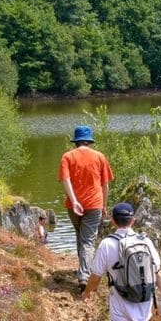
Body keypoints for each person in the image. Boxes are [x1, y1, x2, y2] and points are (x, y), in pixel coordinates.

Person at [59, 125, 114, 292]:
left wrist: (74, 200)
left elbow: (65, 180)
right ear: (89, 141)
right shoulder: (99, 157)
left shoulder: (67, 157)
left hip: (73, 205)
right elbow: (105, 185)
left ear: (75, 142)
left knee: (81, 237)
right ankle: (84, 276)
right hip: (94, 204)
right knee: (87, 240)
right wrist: (104, 205)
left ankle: (83, 271)